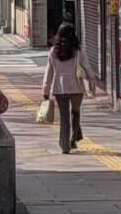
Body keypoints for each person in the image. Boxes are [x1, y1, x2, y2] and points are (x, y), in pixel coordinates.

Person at [42, 24, 98, 154]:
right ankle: (74, 138)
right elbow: (88, 69)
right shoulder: (78, 52)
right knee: (75, 112)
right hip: (77, 88)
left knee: (64, 117)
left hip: (59, 88)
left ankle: (65, 145)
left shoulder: (53, 52)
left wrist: (45, 90)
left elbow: (48, 72)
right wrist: (92, 82)